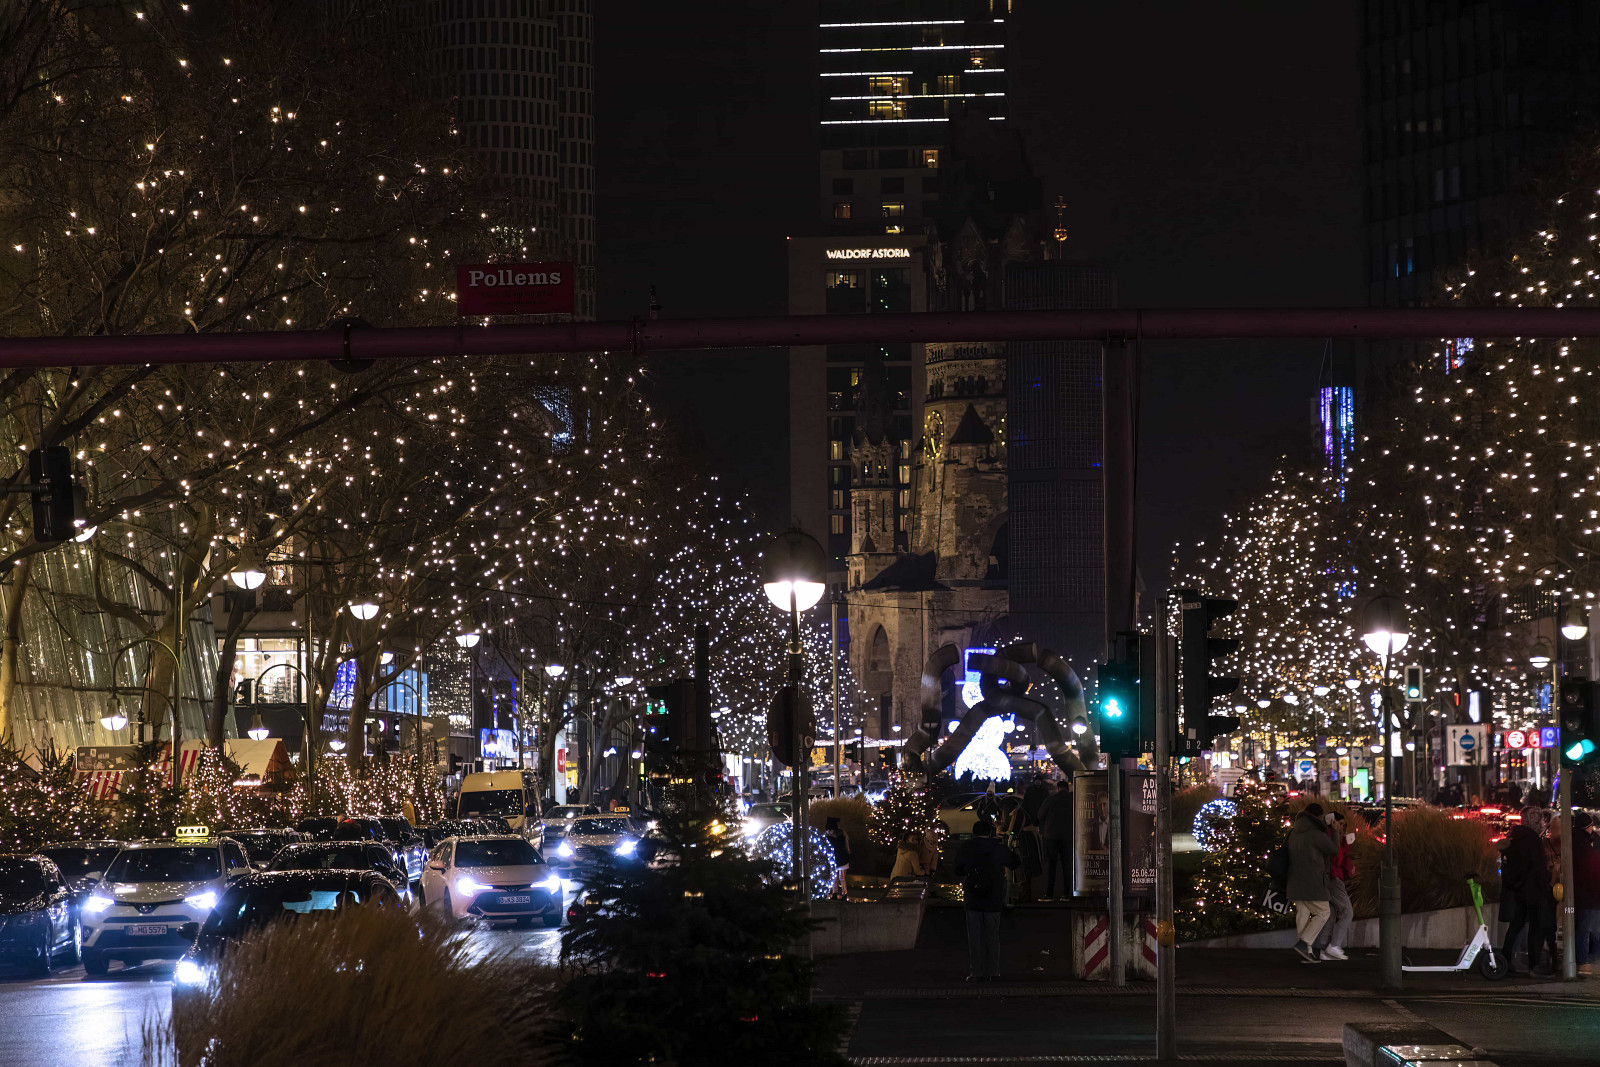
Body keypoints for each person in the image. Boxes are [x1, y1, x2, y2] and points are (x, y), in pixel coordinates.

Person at [953, 818, 1018, 981]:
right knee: (992, 936)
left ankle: (976, 972)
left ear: (974, 833)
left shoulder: (967, 847)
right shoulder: (998, 848)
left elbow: (957, 869)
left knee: (974, 937)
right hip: (993, 896)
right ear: (989, 833)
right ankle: (994, 972)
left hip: (973, 897)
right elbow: (1015, 862)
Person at [1500, 805, 1557, 976]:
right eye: (1539, 820)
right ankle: (1534, 965)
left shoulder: (1516, 836)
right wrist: (1547, 880)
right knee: (1536, 928)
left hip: (1519, 890)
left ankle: (1505, 960)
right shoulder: (1532, 839)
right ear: (1534, 821)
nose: (1542, 823)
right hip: (1533, 891)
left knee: (1516, 925)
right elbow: (1537, 867)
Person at [1286, 802, 1337, 963]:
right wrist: (1334, 831)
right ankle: (1305, 943)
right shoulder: (1315, 834)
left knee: (1303, 913)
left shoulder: (1294, 832)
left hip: (1295, 880)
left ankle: (1305, 951)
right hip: (1313, 881)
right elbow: (1333, 850)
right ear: (1318, 816)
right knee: (1323, 912)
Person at [1312, 811, 1356, 961]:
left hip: (1328, 878)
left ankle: (1323, 948)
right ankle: (1334, 946)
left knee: (1330, 913)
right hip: (1333, 878)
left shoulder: (1328, 835)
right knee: (1347, 912)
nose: (1342, 826)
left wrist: (1345, 843)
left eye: (1344, 824)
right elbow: (1336, 858)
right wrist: (1338, 836)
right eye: (1340, 823)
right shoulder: (1330, 835)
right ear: (1332, 822)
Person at [1572, 811, 1600, 978]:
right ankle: (1584, 962)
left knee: (1584, 929)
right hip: (1591, 895)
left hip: (1580, 894)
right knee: (1588, 930)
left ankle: (1584, 961)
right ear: (1588, 827)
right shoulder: (1587, 847)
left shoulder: (1574, 842)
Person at [1036, 778, 1073, 901]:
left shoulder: (1051, 799)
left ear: (1058, 788)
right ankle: (1066, 894)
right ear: (1067, 789)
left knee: (1052, 865)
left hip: (1051, 836)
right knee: (1066, 865)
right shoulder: (1072, 800)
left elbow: (1040, 814)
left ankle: (1049, 894)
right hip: (1067, 836)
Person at [823, 816, 851, 899]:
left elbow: (839, 848)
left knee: (841, 877)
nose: (828, 832)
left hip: (841, 860)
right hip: (837, 860)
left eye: (830, 830)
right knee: (836, 878)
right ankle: (835, 893)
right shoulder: (837, 837)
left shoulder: (839, 838)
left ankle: (844, 894)